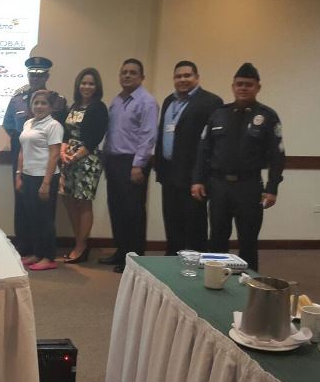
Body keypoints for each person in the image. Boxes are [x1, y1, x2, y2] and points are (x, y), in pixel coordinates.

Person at [192, 62, 284, 271]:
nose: (243, 88)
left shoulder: (267, 116)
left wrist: (272, 188)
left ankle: (248, 284)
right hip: (218, 185)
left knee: (248, 239)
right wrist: (198, 180)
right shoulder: (218, 114)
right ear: (233, 87)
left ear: (258, 87)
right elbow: (203, 150)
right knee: (217, 238)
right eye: (239, 84)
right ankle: (215, 279)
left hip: (249, 186)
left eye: (248, 85)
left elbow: (277, 156)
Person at [154, 61, 223, 255]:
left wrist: (201, 177)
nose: (182, 79)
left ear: (197, 77)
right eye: (178, 76)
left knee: (194, 225)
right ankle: (172, 260)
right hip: (169, 173)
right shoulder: (169, 101)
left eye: (187, 75)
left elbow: (212, 143)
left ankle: (195, 264)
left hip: (193, 176)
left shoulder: (211, 102)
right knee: (171, 221)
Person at [98, 58, 158, 273]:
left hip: (133, 163)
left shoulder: (147, 102)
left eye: (133, 72)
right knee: (117, 209)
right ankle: (121, 251)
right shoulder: (117, 100)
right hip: (114, 161)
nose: (127, 76)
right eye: (124, 72)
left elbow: (148, 136)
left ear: (142, 77)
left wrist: (138, 165)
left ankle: (134, 259)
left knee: (133, 211)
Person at [2, 56, 67, 256]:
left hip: (47, 157)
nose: (35, 78)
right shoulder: (17, 99)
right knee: (22, 201)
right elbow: (9, 126)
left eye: (39, 75)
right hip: (22, 154)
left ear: (47, 76)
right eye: (32, 75)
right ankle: (24, 245)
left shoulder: (57, 100)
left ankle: (44, 250)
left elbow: (62, 131)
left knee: (44, 206)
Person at [59, 68, 108, 264]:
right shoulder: (74, 106)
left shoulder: (99, 108)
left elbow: (95, 137)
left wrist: (76, 156)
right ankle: (79, 241)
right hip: (68, 158)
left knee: (84, 201)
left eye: (91, 83)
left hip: (87, 159)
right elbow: (65, 133)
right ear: (78, 85)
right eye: (84, 83)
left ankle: (81, 246)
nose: (87, 87)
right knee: (68, 199)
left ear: (97, 87)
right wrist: (63, 152)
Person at [15, 90, 63, 271]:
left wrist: (46, 183)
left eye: (43, 103)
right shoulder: (28, 123)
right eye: (36, 102)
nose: (39, 106)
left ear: (50, 107)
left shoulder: (53, 125)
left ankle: (49, 257)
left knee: (45, 219)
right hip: (28, 176)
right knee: (32, 217)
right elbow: (22, 150)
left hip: (45, 177)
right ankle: (37, 253)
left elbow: (55, 154)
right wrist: (19, 174)